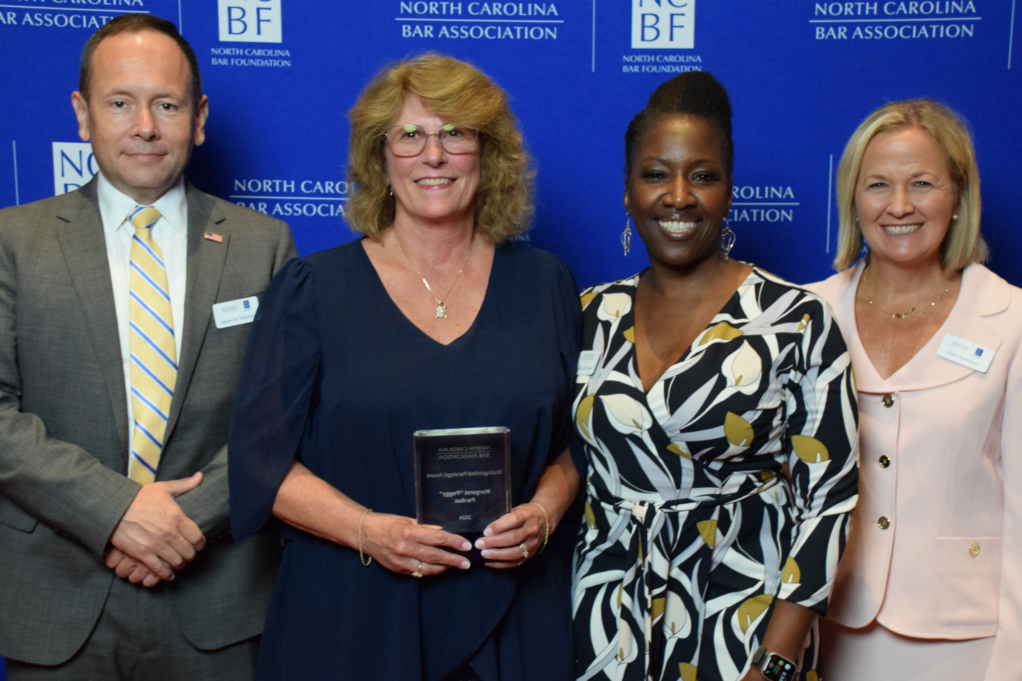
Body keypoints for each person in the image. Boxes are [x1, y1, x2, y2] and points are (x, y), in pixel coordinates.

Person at [228, 53, 582, 681]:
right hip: (353, 615)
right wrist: (369, 531)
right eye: (411, 135)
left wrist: (546, 514)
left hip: (515, 615)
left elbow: (573, 448)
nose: (434, 155)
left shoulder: (546, 284)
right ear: (380, 158)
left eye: (455, 133)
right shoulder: (314, 288)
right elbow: (260, 462)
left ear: (488, 153)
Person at [0, 14, 296, 680]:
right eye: (120, 103)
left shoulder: (262, 245)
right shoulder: (13, 242)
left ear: (198, 117)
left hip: (217, 596)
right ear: (82, 114)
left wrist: (181, 521)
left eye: (167, 104)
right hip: (58, 595)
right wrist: (117, 512)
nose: (145, 126)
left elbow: (277, 416)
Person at [571, 72, 859, 681]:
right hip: (605, 619)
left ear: (729, 192)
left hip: (740, 620)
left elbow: (830, 500)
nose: (678, 195)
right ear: (628, 192)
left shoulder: (795, 318)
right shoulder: (588, 313)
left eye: (702, 175)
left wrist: (776, 658)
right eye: (655, 174)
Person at [808, 100, 1021, 681]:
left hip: (966, 640)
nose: (899, 206)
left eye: (922, 184)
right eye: (878, 184)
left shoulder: (1012, 320)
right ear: (854, 197)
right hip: (827, 628)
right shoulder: (807, 315)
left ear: (958, 198)